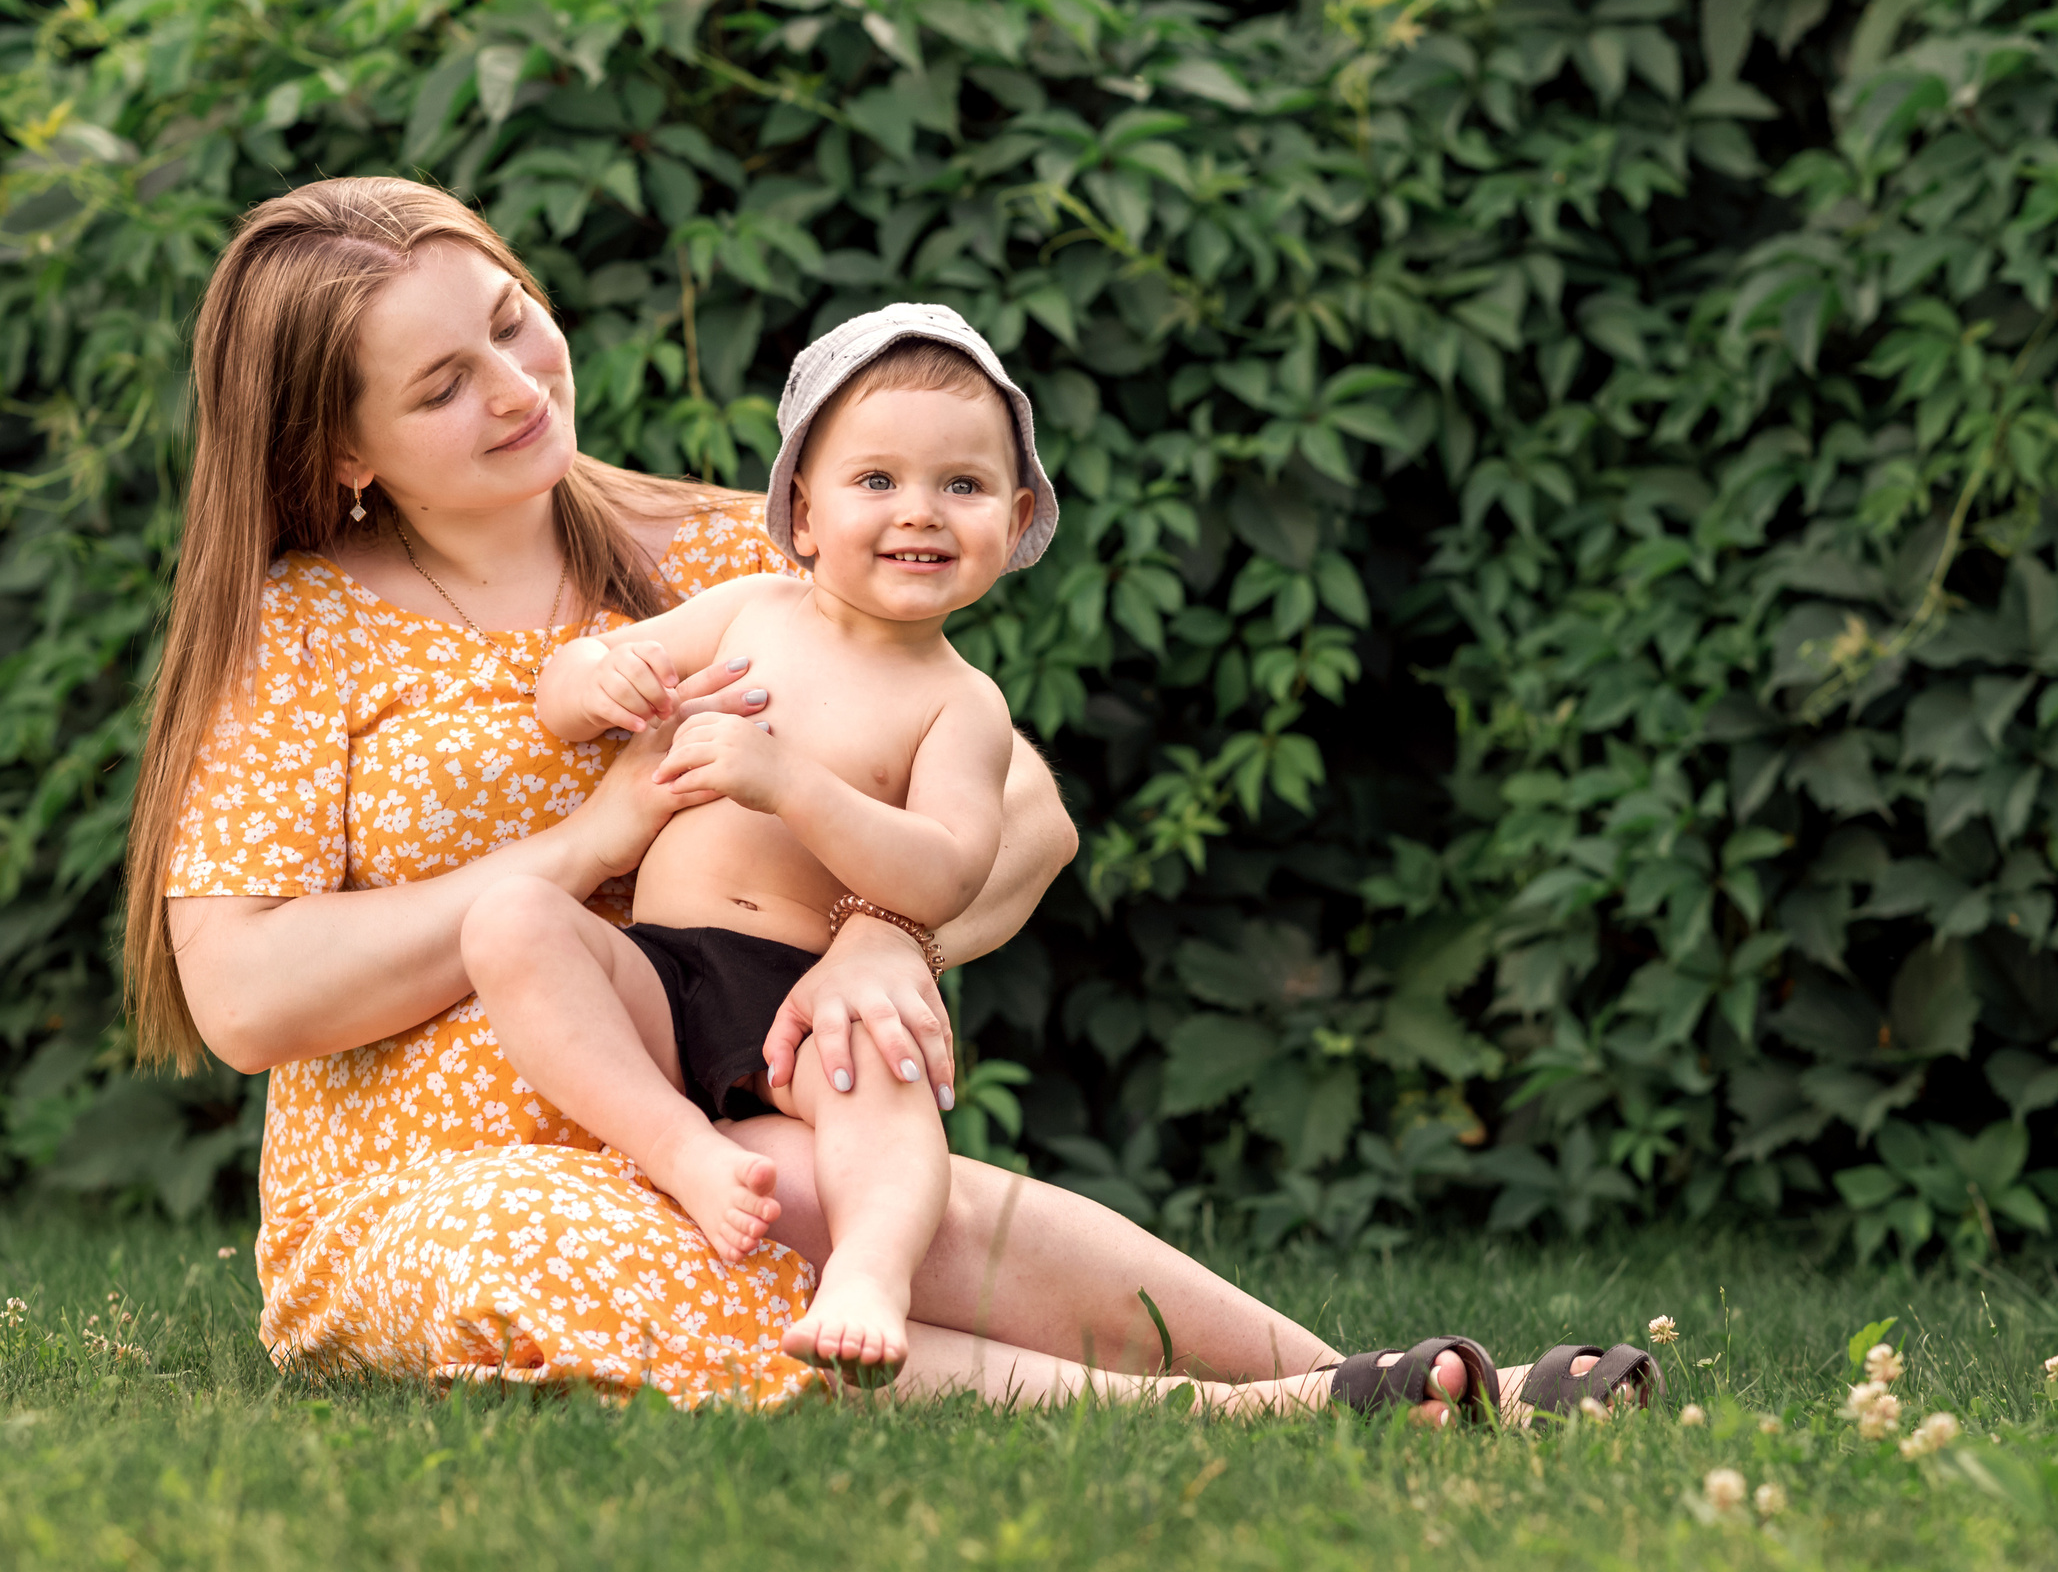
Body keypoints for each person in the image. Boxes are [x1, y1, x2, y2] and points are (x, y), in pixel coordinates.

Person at [125, 173, 1651, 1422]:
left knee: (899, 1208)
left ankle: (1416, 1386)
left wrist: (876, 935)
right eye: (448, 385)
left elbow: (1022, 806)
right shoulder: (298, 634)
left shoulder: (733, 548)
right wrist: (590, 839)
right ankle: (1230, 1422)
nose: (524, 387)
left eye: (518, 326)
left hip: (739, 1079)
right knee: (583, 1237)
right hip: (433, 1182)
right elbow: (247, 998)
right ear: (341, 455)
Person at [468, 305, 1054, 1385]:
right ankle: (679, 1148)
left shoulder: (958, 706)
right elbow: (557, 698)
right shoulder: (747, 609)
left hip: (804, 999)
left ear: (1016, 520)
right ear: (800, 514)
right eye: (875, 482)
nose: (919, 513)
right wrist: (601, 681)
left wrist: (791, 784)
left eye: (963, 487)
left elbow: (942, 872)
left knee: (884, 1081)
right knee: (511, 919)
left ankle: (872, 1274)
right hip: (661, 967)